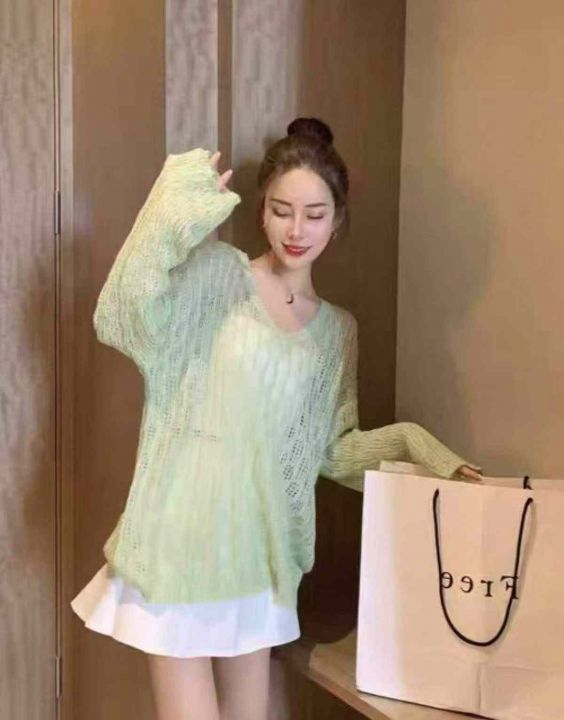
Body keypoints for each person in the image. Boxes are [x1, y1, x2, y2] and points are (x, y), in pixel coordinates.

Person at [71, 117, 483, 720]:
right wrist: (169, 211)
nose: (297, 229)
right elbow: (122, 316)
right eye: (282, 210)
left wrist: (417, 444)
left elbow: (332, 451)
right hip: (179, 540)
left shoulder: (338, 332)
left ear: (337, 221)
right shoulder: (216, 275)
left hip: (259, 554)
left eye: (315, 214)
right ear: (261, 212)